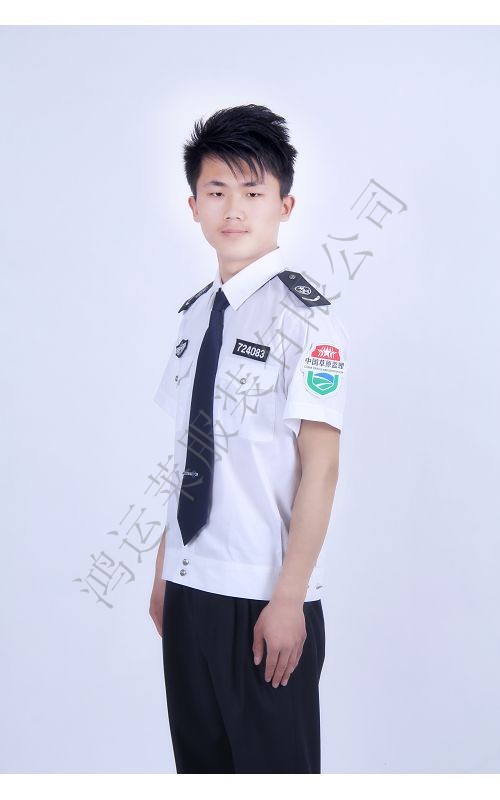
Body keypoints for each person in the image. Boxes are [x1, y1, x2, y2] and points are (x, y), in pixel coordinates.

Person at [149, 103, 350, 774]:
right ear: (194, 206)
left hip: (265, 597)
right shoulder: (193, 317)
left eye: (253, 192)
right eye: (216, 191)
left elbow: (321, 469)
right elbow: (189, 457)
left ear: (285, 205)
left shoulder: (308, 321)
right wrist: (165, 572)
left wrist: (289, 597)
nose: (233, 209)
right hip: (189, 589)